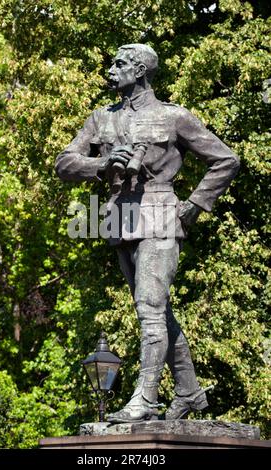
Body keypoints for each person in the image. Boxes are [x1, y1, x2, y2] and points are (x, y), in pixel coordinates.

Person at [55, 44, 240, 423]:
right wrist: (102, 163)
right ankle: (188, 391)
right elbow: (65, 162)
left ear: (139, 70)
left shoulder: (173, 116)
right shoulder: (100, 118)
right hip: (119, 220)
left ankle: (146, 399)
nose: (111, 69)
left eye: (119, 63)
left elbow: (226, 159)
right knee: (158, 312)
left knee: (149, 309)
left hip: (160, 215)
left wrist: (195, 205)